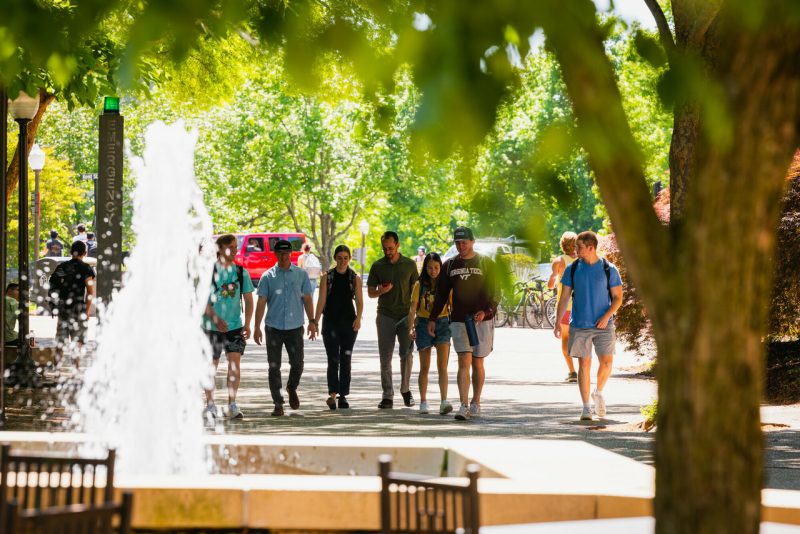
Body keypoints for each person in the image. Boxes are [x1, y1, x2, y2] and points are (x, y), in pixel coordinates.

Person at [429, 227, 499, 421]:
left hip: (482, 321)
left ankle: (476, 401)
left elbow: (496, 293)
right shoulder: (449, 265)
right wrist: (433, 318)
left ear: (473, 241)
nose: (461, 246)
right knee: (464, 361)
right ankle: (464, 405)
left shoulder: (486, 263)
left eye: (465, 242)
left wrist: (486, 312)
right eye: (458, 243)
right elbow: (441, 294)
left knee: (478, 362)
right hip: (459, 319)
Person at [553, 230, 623, 421]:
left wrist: (607, 316)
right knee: (584, 364)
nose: (575, 250)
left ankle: (598, 392)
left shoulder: (609, 269)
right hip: (580, 324)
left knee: (607, 363)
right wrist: (558, 322)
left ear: (591, 248)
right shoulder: (573, 269)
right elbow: (564, 297)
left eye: (579, 247)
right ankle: (585, 407)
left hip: (604, 324)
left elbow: (618, 298)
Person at [254, 239, 317, 416]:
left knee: (297, 363)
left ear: (291, 254)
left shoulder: (300, 275)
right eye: (280, 253)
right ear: (276, 254)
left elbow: (307, 299)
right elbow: (261, 302)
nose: (283, 256)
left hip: (295, 327)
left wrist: (312, 321)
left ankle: (291, 387)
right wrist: (257, 327)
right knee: (274, 366)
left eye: (286, 253)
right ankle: (278, 403)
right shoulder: (268, 276)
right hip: (273, 327)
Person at [202, 234, 255, 420]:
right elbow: (201, 301)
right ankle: (210, 405)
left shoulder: (241, 272)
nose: (235, 250)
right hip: (211, 327)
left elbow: (248, 299)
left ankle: (232, 404)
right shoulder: (208, 272)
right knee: (211, 366)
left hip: (234, 327)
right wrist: (216, 318)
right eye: (230, 247)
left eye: (235, 247)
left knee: (234, 365)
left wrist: (248, 323)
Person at [367, 231, 419, 409]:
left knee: (407, 354)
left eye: (390, 248)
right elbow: (370, 293)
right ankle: (387, 394)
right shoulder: (377, 266)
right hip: (385, 316)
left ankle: (405, 389)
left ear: (397, 245)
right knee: (385, 357)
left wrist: (416, 316)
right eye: (384, 249)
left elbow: (417, 290)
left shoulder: (410, 265)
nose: (387, 251)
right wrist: (381, 290)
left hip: (406, 316)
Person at [314, 245, 363, 410]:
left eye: (346, 258)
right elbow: (321, 300)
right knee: (333, 358)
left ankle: (343, 395)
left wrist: (358, 318)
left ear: (349, 259)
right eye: (340, 258)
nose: (343, 261)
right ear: (335, 258)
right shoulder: (327, 277)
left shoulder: (354, 278)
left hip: (348, 324)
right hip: (331, 323)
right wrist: (314, 321)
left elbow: (359, 301)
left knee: (346, 359)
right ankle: (332, 394)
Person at [408, 252, 453, 415]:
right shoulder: (419, 285)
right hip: (423, 324)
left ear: (440, 267)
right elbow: (413, 307)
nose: (433, 271)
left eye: (436, 268)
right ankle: (423, 401)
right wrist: (411, 327)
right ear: (425, 268)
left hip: (442, 323)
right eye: (430, 268)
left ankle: (444, 401)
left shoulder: (446, 285)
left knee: (442, 366)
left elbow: (451, 306)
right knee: (424, 367)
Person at [49, 240, 95, 367]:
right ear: (85, 253)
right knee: (77, 342)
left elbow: (53, 285)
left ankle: (56, 370)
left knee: (60, 341)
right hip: (78, 308)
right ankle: (76, 369)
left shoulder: (62, 266)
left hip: (63, 308)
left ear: (70, 252)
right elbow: (90, 291)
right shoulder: (86, 268)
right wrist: (86, 311)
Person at [547, 231, 579, 383]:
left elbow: (550, 285)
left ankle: (572, 372)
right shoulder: (584, 259)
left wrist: (554, 278)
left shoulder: (559, 261)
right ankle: (583, 369)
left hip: (565, 306)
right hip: (581, 307)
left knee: (565, 338)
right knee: (581, 338)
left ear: (562, 244)